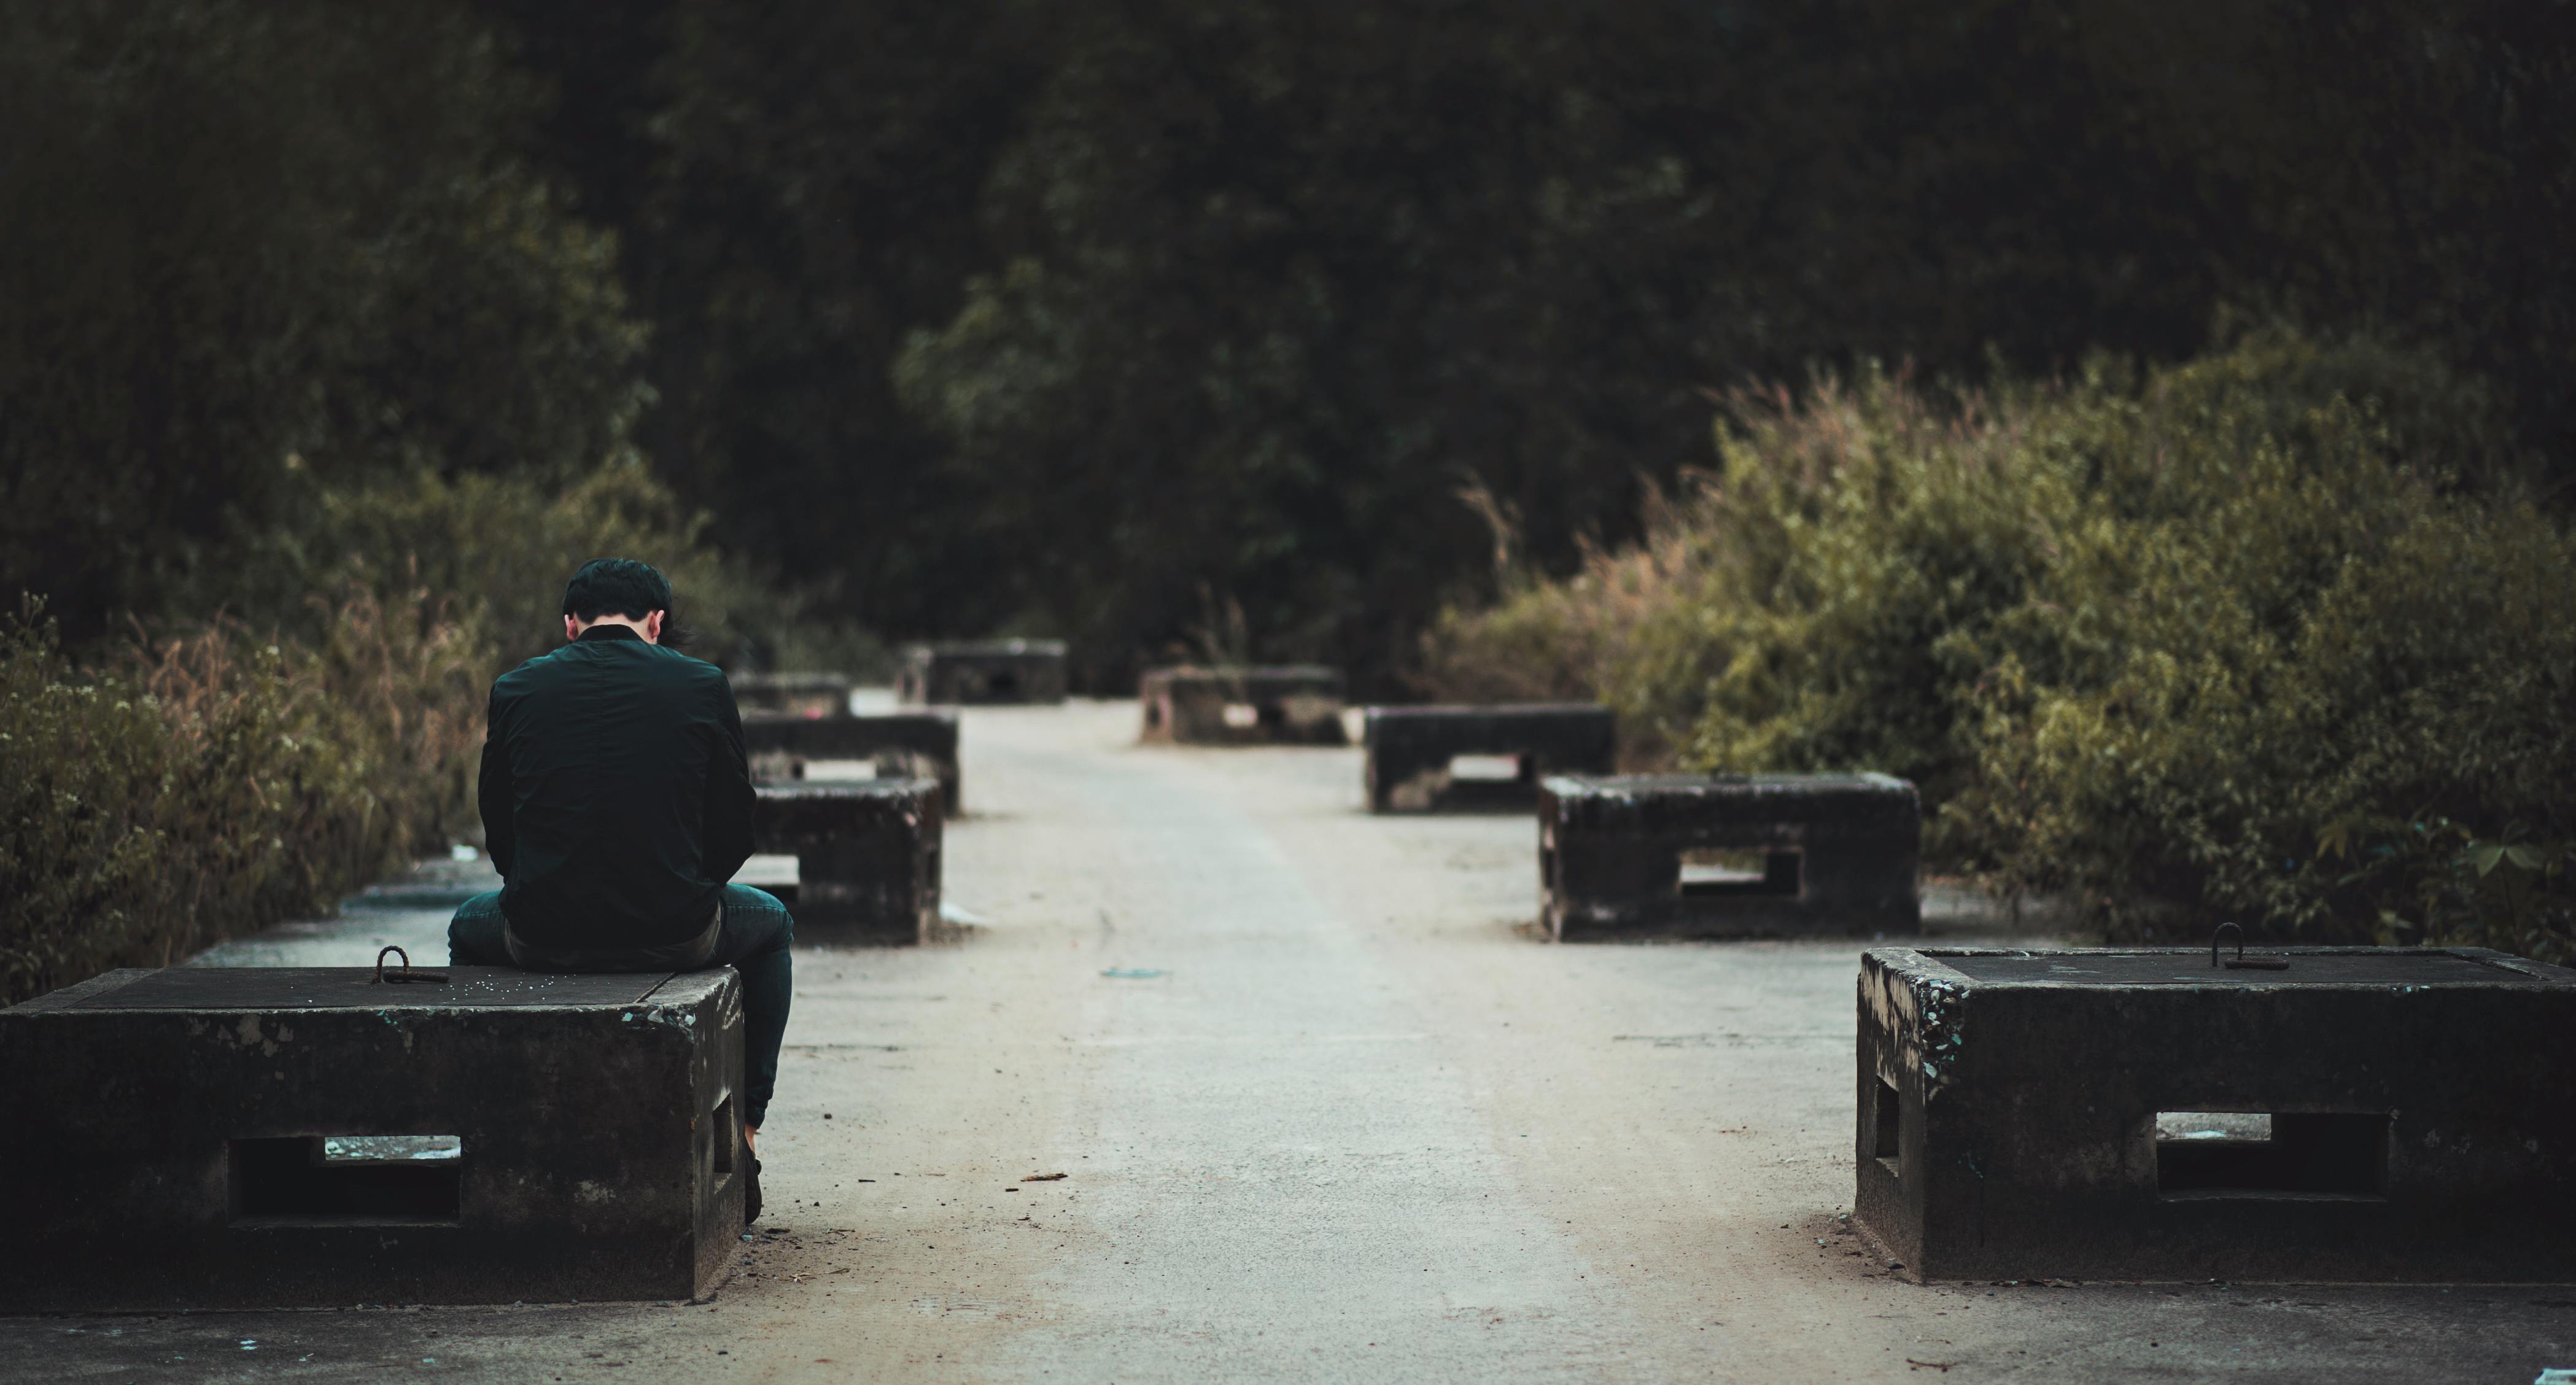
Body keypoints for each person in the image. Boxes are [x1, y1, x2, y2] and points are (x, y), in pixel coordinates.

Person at [448, 557, 791, 1222]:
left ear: (570, 625)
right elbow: (735, 830)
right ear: (655, 623)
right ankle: (746, 1129)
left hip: (539, 936)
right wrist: (680, 885)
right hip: (677, 932)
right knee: (772, 923)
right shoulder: (703, 685)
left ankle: (488, 1133)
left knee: (468, 926)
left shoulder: (515, 687)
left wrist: (547, 890)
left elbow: (500, 834)